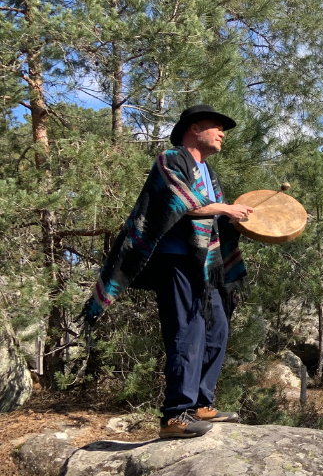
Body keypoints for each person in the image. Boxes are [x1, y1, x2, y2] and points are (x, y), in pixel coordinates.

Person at [82, 105, 252, 438]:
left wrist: (232, 219)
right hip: (175, 258)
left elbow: (214, 218)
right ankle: (175, 415)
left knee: (216, 330)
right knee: (187, 332)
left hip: (206, 264)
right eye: (216, 126)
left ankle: (203, 403)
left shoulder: (210, 173)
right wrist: (223, 208)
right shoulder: (171, 160)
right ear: (193, 128)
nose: (222, 132)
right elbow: (182, 202)